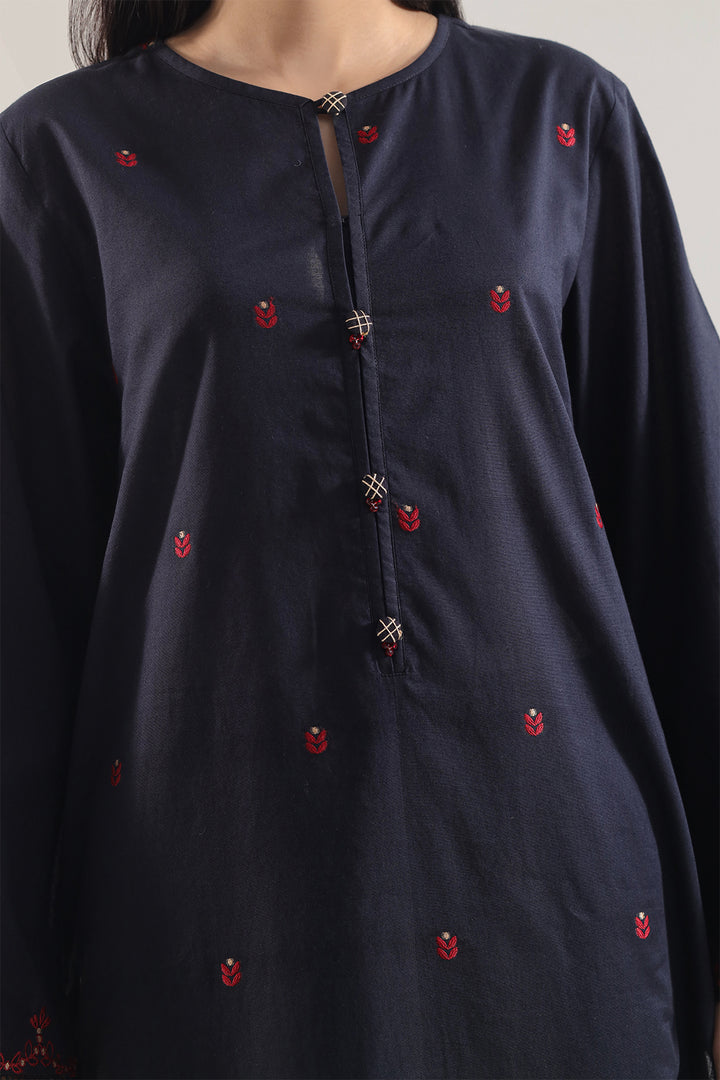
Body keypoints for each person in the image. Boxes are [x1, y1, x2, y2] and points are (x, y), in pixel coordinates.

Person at [1, 0, 718, 1077]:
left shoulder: (561, 116)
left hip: (566, 911)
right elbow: (20, 608)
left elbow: (690, 531)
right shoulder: (62, 152)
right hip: (211, 924)